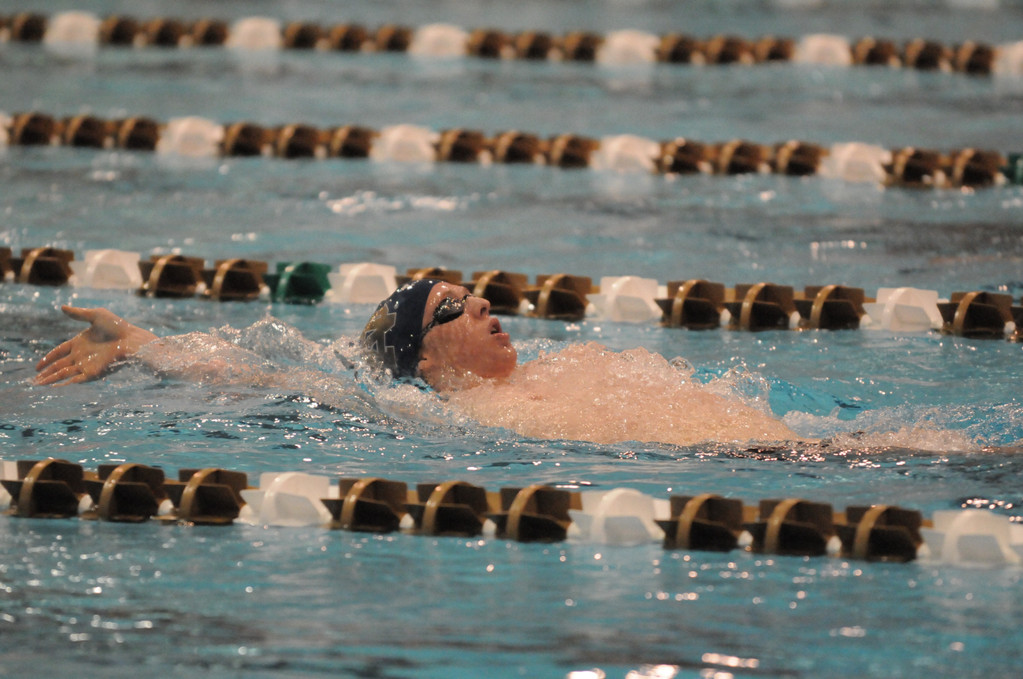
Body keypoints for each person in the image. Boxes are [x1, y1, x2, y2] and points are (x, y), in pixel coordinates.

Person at [35, 279, 802, 445]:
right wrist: (139, 342)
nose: (483, 309)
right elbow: (270, 375)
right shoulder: (433, 409)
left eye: (475, 299)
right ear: (425, 361)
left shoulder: (572, 364)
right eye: (451, 311)